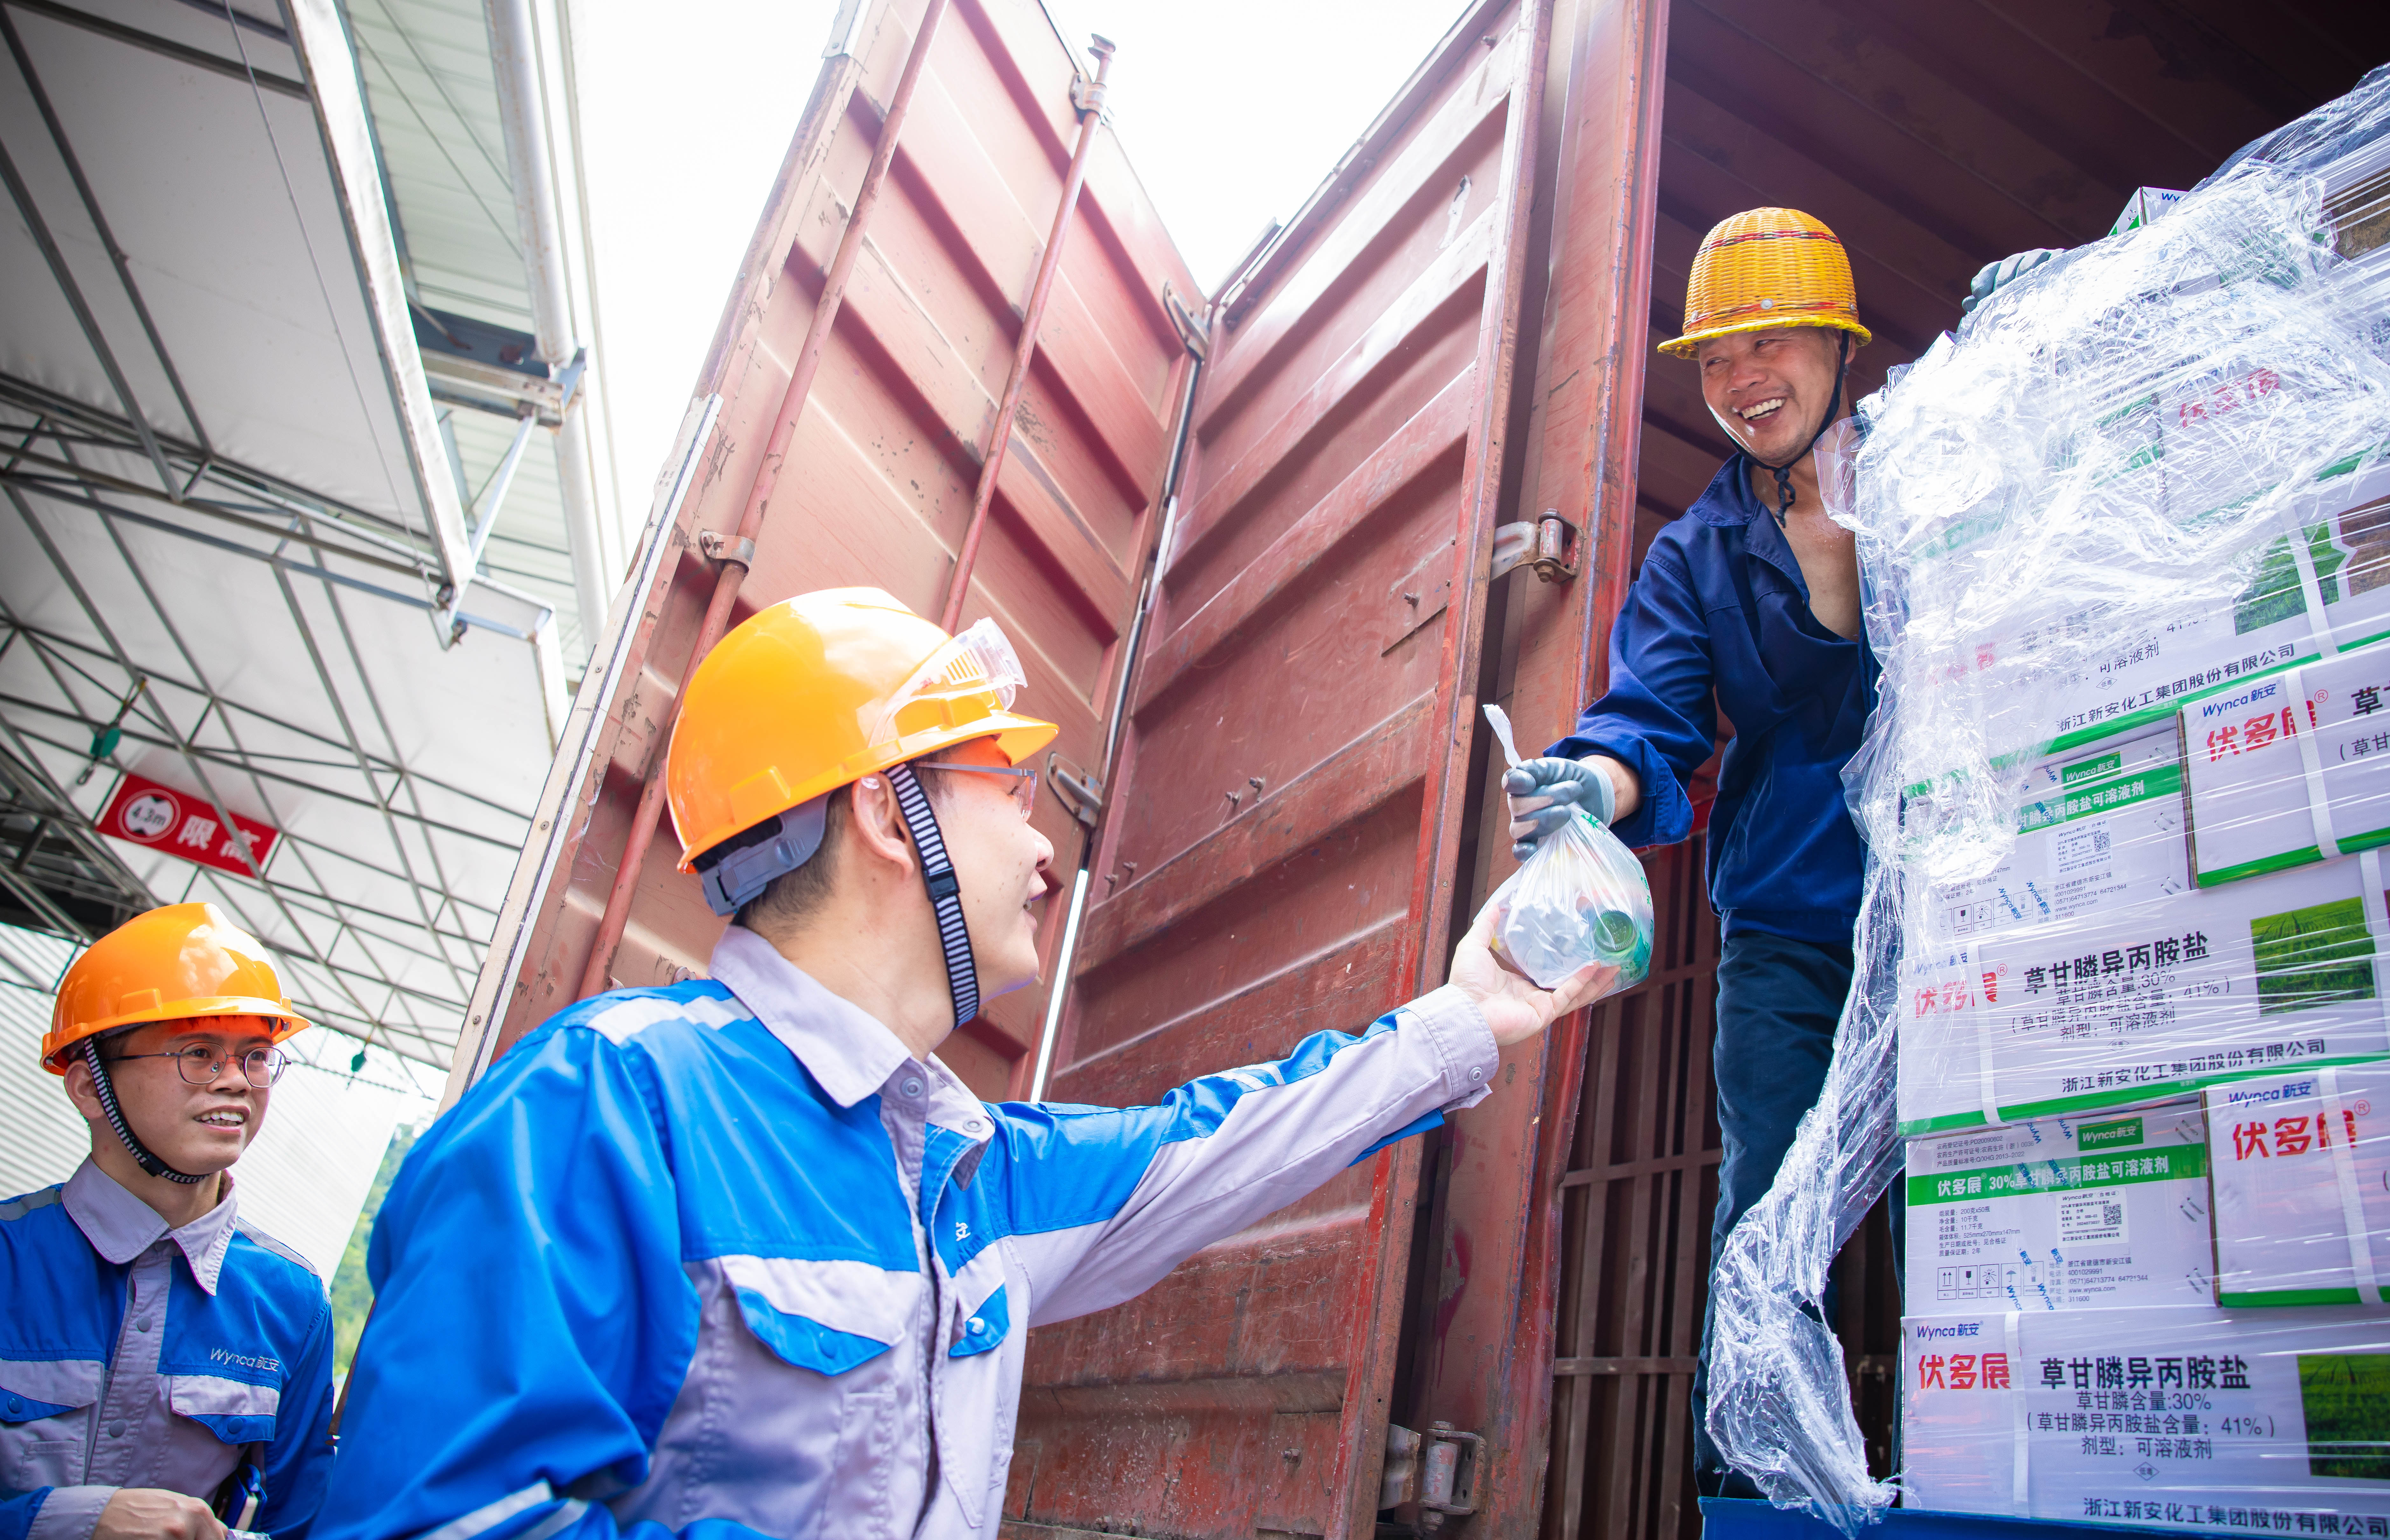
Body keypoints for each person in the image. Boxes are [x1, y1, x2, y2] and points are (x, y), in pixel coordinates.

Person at [319, 587, 1609, 1540]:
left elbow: (1216, 1138)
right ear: (893, 810)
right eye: (1009, 784)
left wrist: (1466, 1011)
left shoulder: (970, 1170)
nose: (1051, 848)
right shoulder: (607, 1102)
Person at [1500, 208, 1893, 1498]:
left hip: (1953, 902)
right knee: (1769, 1208)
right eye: (1716, 357)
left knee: (1972, 1186)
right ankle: (1749, 1492)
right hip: (1790, 920)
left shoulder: (1929, 469)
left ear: (1839, 343)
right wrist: (1587, 785)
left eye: (1771, 339)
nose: (1742, 381)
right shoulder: (1696, 551)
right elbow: (1649, 719)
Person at [1, 903, 336, 1540]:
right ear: (89, 1088)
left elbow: (302, 1524)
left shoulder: (290, 1302)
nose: (236, 1080)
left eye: (256, 1055)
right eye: (199, 1052)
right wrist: (56, 1522)